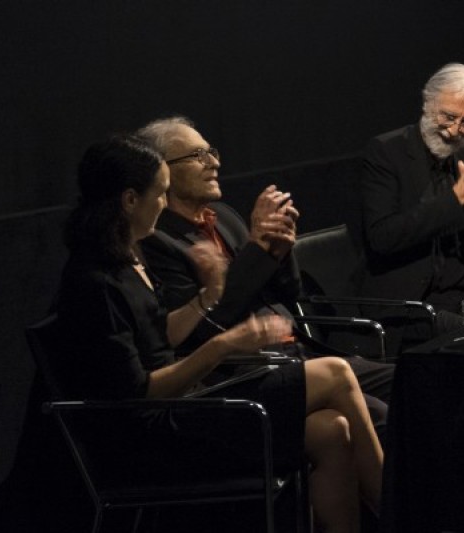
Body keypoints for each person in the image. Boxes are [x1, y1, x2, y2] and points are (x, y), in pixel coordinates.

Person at [54, 134, 383, 532]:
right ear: (128, 200)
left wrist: (207, 296)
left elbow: (163, 336)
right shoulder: (95, 281)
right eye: (159, 193)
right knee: (336, 374)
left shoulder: (129, 256)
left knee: (332, 429)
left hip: (185, 405)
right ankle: (402, 516)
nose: (163, 202)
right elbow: (139, 395)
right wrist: (222, 345)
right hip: (152, 435)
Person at [135, 117, 393, 438]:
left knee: (409, 381)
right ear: (163, 172)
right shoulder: (159, 241)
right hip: (245, 370)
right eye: (198, 156)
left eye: (211, 152)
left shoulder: (225, 215)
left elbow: (286, 294)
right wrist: (258, 249)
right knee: (382, 416)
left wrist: (281, 252)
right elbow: (205, 327)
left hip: (297, 352)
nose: (215, 162)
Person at [359, 62, 464, 352]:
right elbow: (383, 237)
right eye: (448, 117)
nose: (454, 130)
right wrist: (458, 199)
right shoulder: (387, 153)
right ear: (427, 103)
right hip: (411, 306)